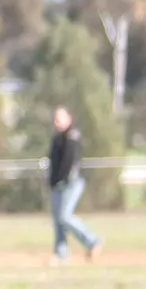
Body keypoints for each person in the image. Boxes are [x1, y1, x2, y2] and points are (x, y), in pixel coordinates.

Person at [47, 107, 102, 263]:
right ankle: (61, 253)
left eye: (60, 119)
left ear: (69, 119)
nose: (57, 122)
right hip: (57, 184)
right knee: (58, 220)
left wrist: (62, 179)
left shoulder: (72, 137)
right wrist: (52, 181)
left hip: (71, 183)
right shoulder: (56, 138)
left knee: (65, 216)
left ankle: (92, 241)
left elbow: (70, 162)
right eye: (55, 119)